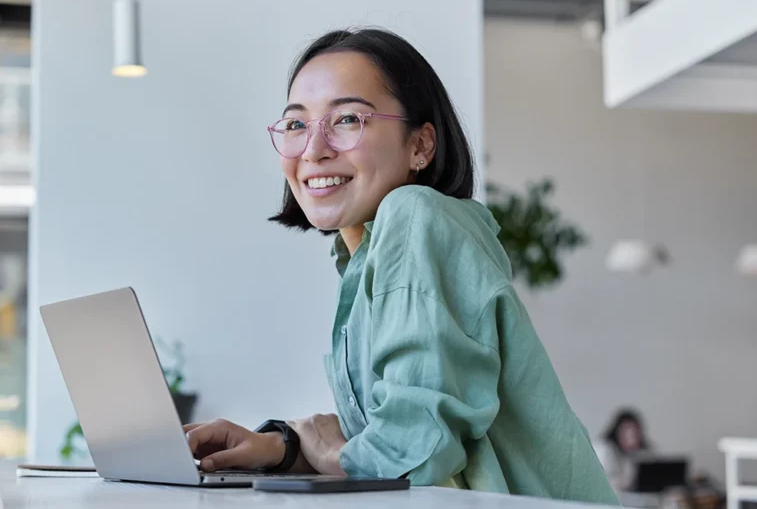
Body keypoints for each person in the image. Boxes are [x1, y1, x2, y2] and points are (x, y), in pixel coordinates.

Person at [183, 27, 618, 503]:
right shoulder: (362, 257)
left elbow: (412, 455)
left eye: (347, 119)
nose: (313, 149)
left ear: (420, 146)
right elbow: (392, 444)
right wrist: (281, 447)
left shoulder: (415, 216)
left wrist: (327, 453)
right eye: (296, 124)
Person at [594, 409, 653, 492]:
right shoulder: (603, 450)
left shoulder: (635, 455)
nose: (631, 440)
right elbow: (599, 482)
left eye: (634, 435)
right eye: (626, 434)